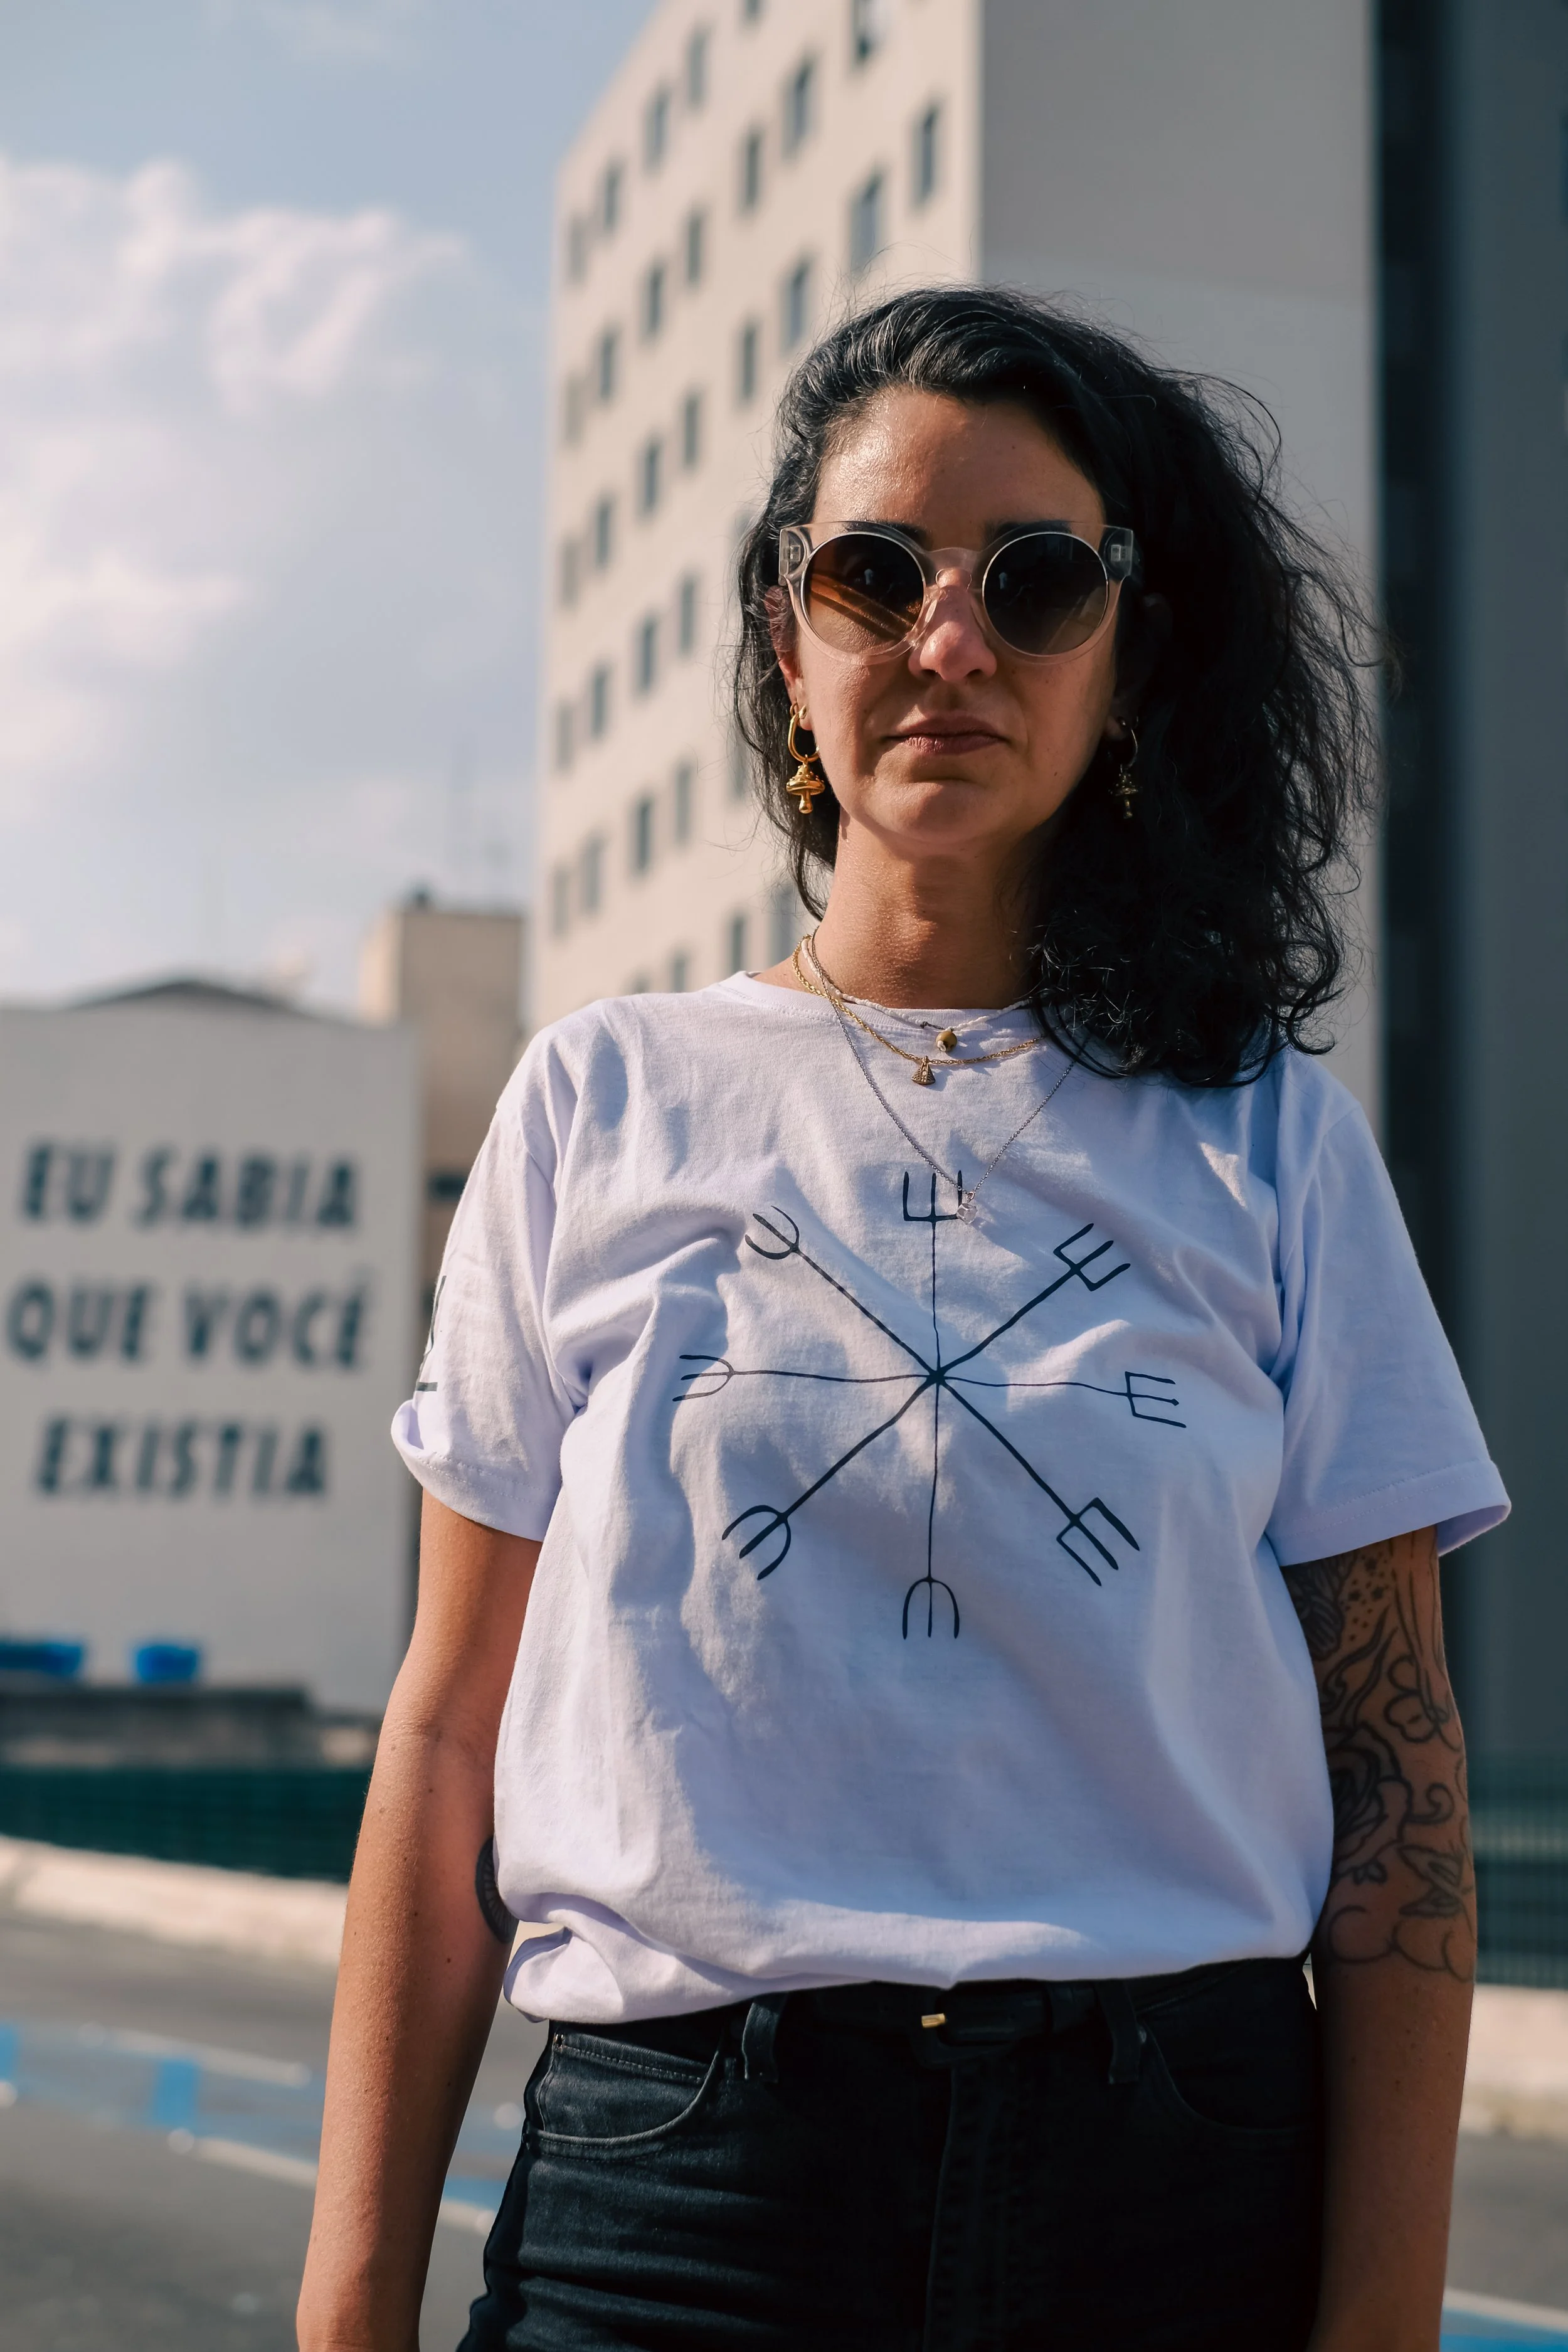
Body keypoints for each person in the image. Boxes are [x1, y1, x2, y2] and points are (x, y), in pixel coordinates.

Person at [297, 287, 1507, 2352]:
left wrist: (1374, 2325)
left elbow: (1393, 1783)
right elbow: (442, 1733)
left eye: (1035, 582)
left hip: (1175, 2193)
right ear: (789, 643)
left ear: (1125, 666)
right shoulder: (599, 1097)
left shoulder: (1270, 1143)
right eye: (876, 574)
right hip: (679, 2206)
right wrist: (346, 2316)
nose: (948, 640)